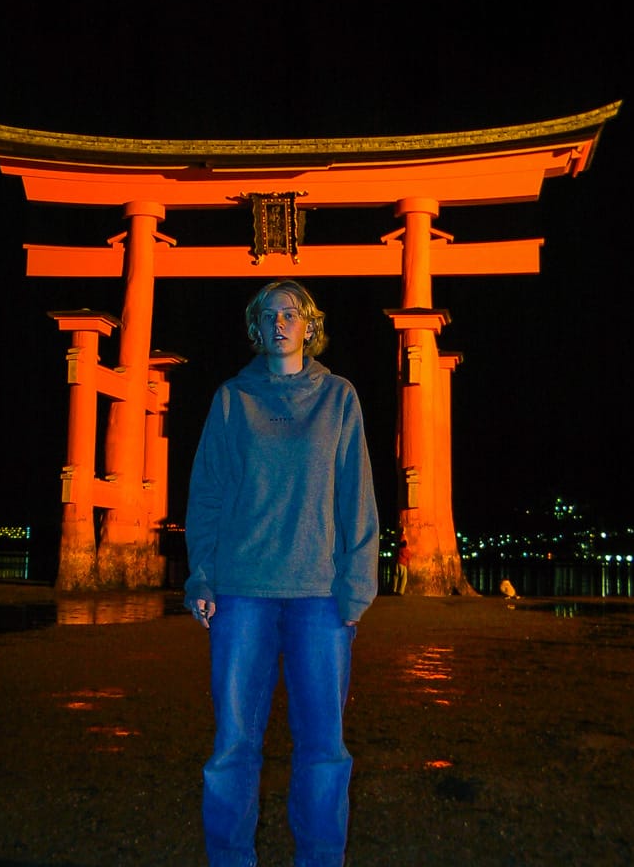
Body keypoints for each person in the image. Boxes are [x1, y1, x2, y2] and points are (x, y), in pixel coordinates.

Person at [184, 279, 380, 867]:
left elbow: (357, 495)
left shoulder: (339, 398)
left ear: (310, 325)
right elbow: (208, 495)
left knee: (323, 748)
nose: (279, 322)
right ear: (255, 326)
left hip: (319, 597)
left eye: (291, 313)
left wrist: (357, 586)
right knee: (234, 747)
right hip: (242, 592)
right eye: (268, 314)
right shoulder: (230, 399)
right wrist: (201, 576)